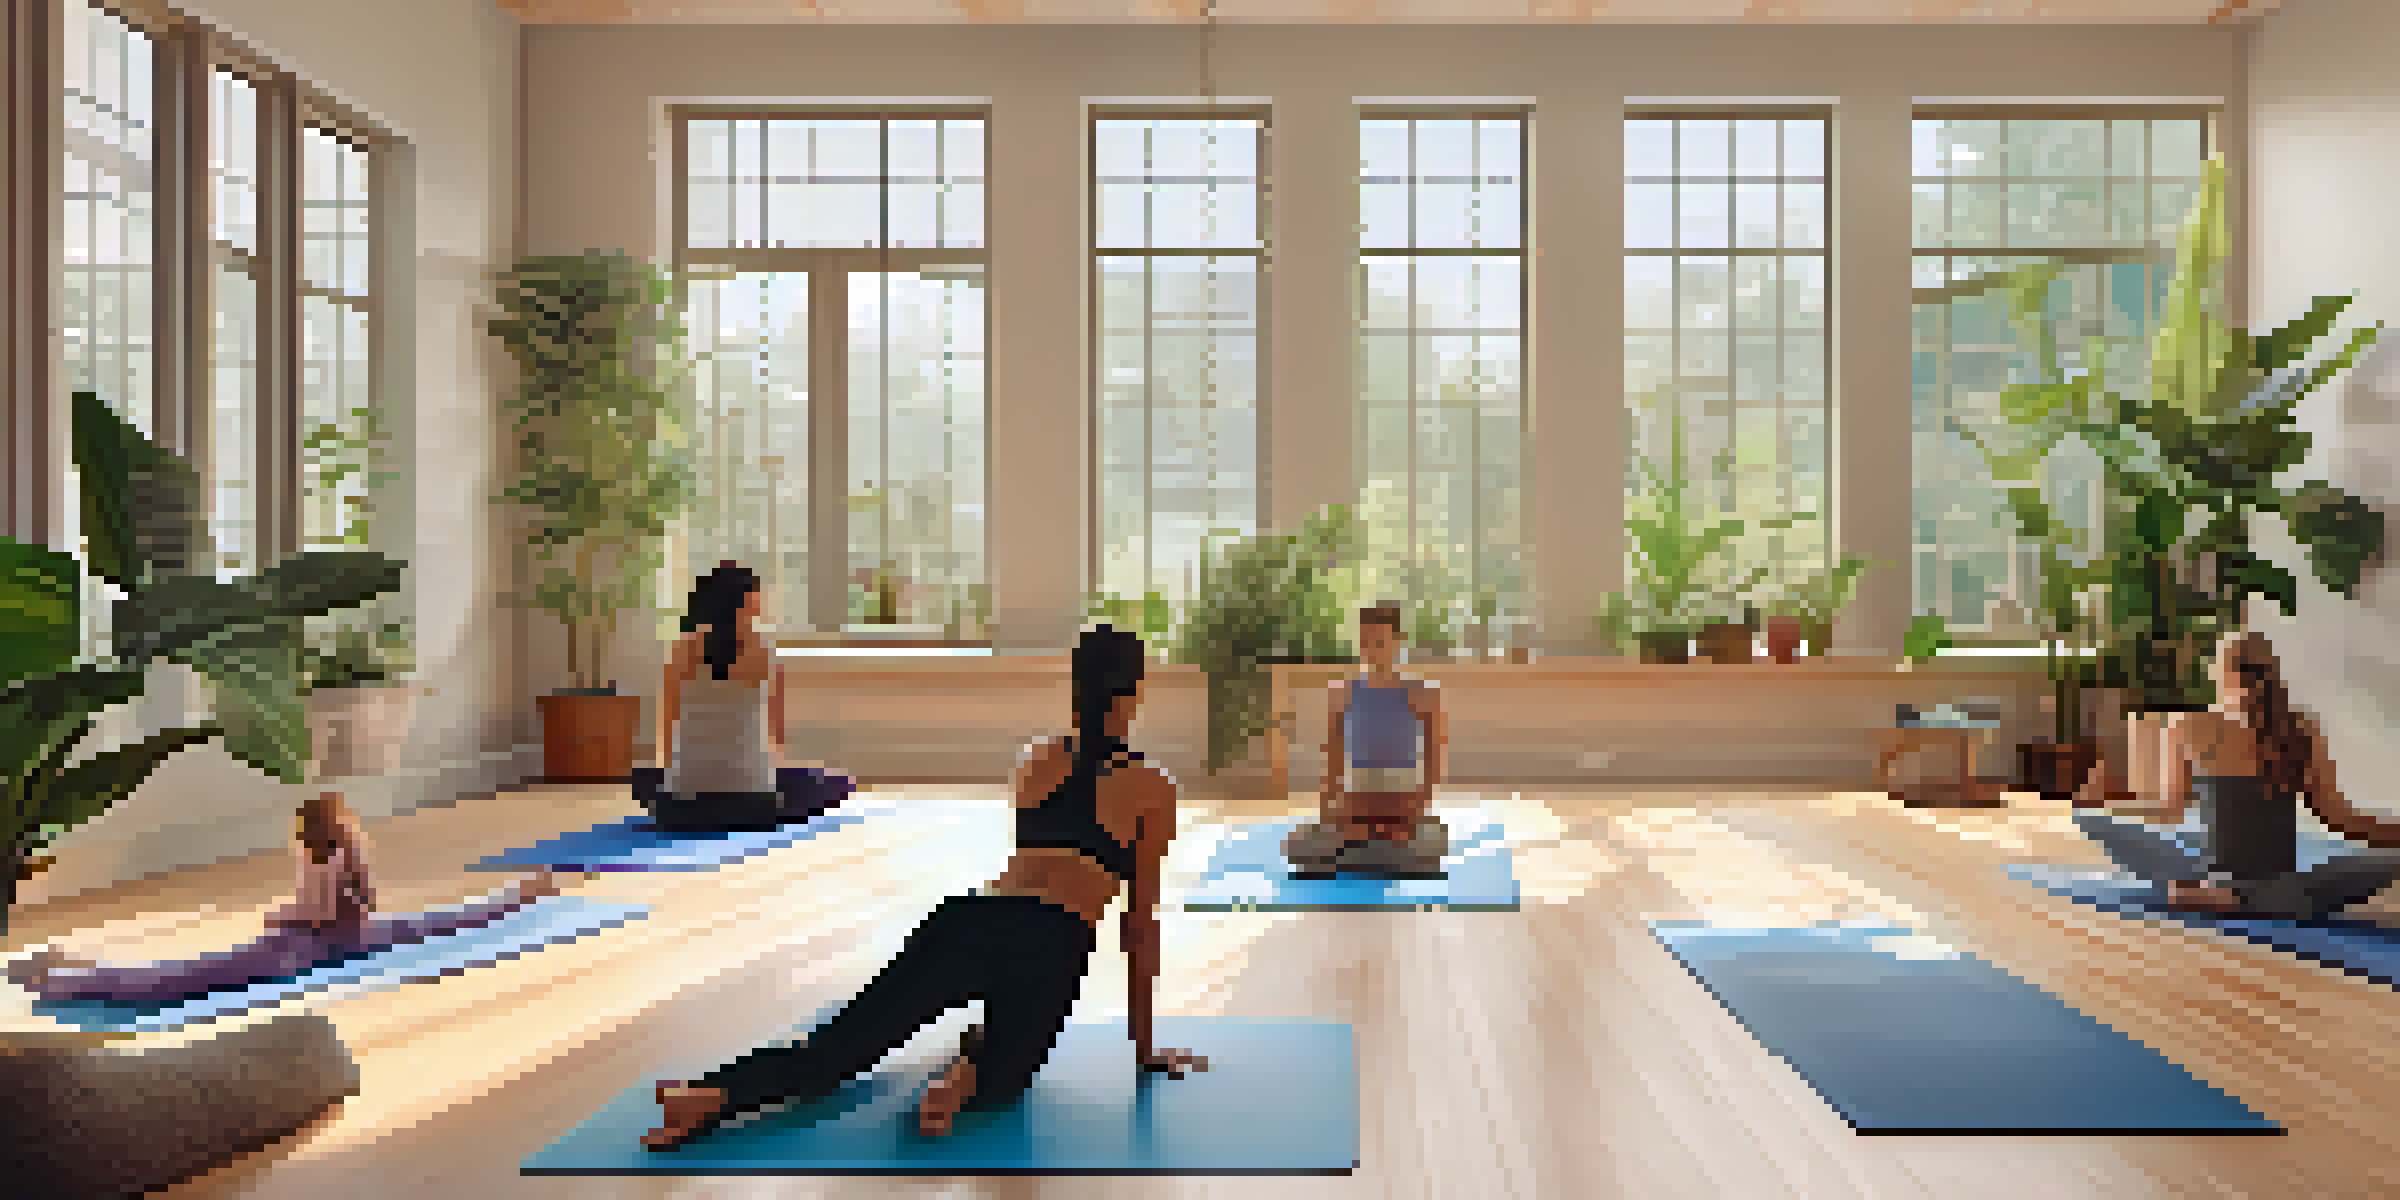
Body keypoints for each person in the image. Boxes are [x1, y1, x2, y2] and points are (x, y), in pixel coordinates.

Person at [640, 625, 1209, 1150]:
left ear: (1076, 687)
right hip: (1052, 941)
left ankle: (709, 1095)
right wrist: (1145, 1047)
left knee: (834, 1051)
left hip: (969, 920)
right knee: (1011, 1072)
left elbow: (1032, 863)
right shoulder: (1151, 787)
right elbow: (1138, 927)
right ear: (1135, 693)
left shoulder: (1035, 761)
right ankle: (964, 1079)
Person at [5, 790, 558, 1006]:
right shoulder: (340, 853)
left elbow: (319, 913)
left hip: (307, 947)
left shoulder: (325, 857)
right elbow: (348, 908)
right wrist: (296, 912)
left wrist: (280, 913)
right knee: (452, 918)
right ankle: (524, 892)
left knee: (187, 976)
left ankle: (66, 975)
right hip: (343, 940)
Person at [2073, 631, 2400, 920]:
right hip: (2283, 886)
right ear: (2273, 673)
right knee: (2367, 867)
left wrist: (2107, 806)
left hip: (2209, 876)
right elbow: (2340, 818)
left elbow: (2169, 810)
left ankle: (2222, 893)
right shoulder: (2301, 729)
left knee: (2091, 821)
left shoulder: (2186, 726)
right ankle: (2252, 898)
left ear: (2220, 673)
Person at [639, 561, 854, 832]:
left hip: (683, 800)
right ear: (746, 602)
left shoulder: (681, 648)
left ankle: (693, 806)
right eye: (757, 595)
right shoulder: (764, 651)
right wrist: (772, 777)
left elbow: (667, 724)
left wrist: (673, 779)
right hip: (753, 803)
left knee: (643, 776)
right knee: (838, 782)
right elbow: (775, 737)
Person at [1283, 604, 1450, 877]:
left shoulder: (1423, 693)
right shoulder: (1341, 693)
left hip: (1402, 798)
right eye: (1365, 642)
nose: (1371, 650)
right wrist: (1329, 810)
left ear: (1397, 641)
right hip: (1358, 797)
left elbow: (1434, 751)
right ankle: (1372, 845)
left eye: (1379, 642)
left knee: (1422, 842)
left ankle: (1376, 846)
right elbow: (1334, 754)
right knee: (1295, 846)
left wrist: (1422, 802)